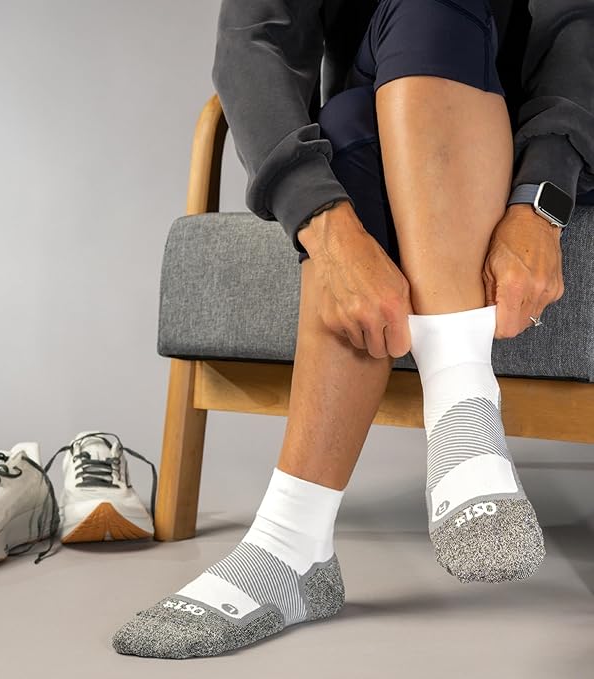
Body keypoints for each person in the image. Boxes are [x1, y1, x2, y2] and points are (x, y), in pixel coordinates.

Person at [111, 0, 594, 659]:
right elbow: (253, 41)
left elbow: (577, 27)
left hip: (545, 135)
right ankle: (461, 412)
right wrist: (326, 228)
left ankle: (290, 542)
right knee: (349, 117)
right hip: (379, 129)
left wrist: (542, 200)